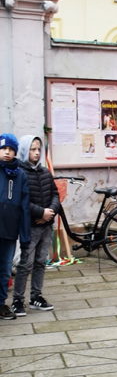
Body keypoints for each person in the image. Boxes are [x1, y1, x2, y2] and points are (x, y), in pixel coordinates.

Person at [12, 136, 59, 316]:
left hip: (46, 225)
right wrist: (40, 213)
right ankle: (17, 300)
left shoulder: (45, 172)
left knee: (41, 261)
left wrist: (50, 211)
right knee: (26, 263)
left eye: (39, 149)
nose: (37, 153)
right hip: (30, 226)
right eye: (32, 149)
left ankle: (36, 296)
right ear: (25, 150)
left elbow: (55, 193)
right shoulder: (20, 173)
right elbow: (22, 200)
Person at [0, 134, 30, 321]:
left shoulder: (20, 175)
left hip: (10, 231)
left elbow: (25, 207)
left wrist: (25, 236)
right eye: (3, 149)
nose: (7, 153)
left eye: (10, 149)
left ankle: (1, 303)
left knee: (5, 268)